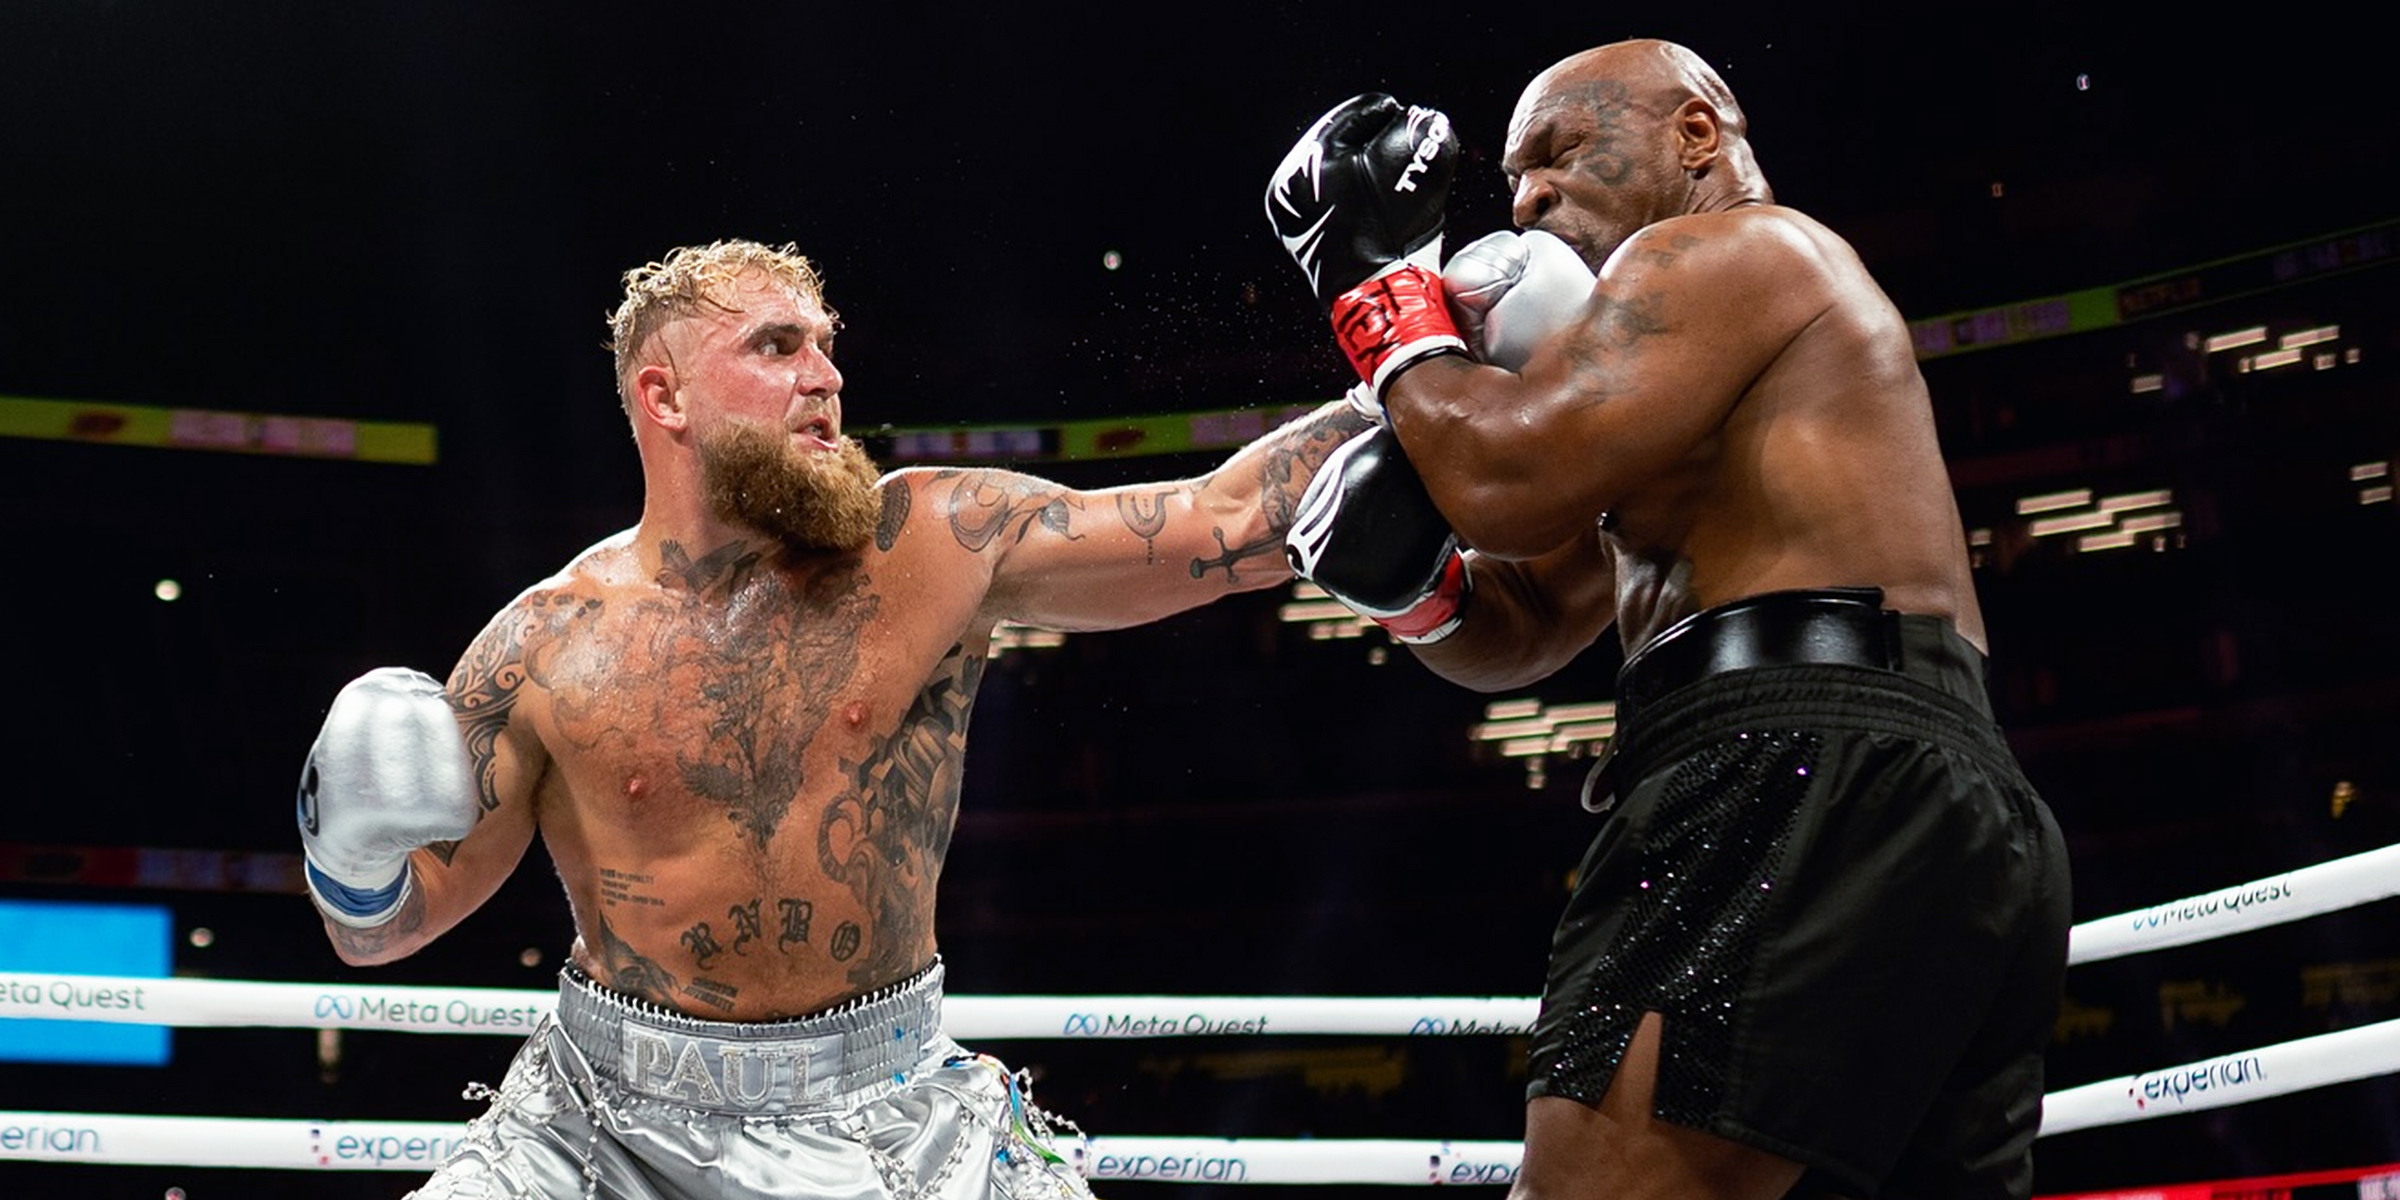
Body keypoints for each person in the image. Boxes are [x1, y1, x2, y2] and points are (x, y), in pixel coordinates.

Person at [294, 237, 1372, 1198]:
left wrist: (1410, 347)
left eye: (824, 344)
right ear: (665, 398)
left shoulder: (933, 543)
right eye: (776, 346)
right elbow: (383, 929)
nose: (826, 376)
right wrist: (347, 848)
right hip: (596, 1128)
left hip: (897, 1111)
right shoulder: (543, 644)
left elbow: (1231, 521)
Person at [1266, 39, 2072, 1200]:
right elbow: (1533, 620)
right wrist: (1414, 590)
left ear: (1695, 135)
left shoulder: (1730, 249)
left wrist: (1375, 291)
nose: (1530, 198)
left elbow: (1506, 480)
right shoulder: (1680, 381)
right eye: (1513, 180)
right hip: (1920, 792)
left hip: (1795, 762)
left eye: (1560, 153)